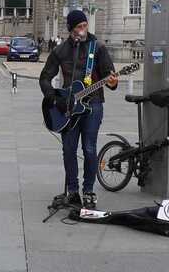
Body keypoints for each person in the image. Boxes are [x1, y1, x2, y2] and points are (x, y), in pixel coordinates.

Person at [39, 10, 119, 209]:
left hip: (93, 105)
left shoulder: (98, 47)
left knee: (89, 148)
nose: (83, 30)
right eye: (79, 27)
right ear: (71, 29)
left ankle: (89, 189)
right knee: (68, 149)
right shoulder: (61, 51)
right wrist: (53, 98)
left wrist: (113, 81)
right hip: (67, 107)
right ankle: (73, 191)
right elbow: (45, 77)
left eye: (85, 25)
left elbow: (111, 78)